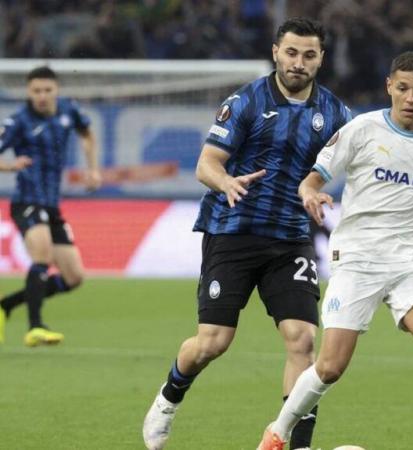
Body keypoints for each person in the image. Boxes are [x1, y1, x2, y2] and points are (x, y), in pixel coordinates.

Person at [257, 52, 413, 450]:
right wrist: (310, 193)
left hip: (411, 258)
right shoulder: (362, 130)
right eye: (404, 88)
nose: (411, 97)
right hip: (358, 257)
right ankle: (277, 433)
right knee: (330, 366)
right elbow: (312, 179)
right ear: (390, 86)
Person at [142, 17, 351, 450]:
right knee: (213, 343)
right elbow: (206, 164)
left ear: (321, 59)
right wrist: (227, 183)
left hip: (291, 237)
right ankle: (170, 395)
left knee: (303, 340)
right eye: (291, 53)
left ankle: (297, 444)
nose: (298, 63)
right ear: (276, 52)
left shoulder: (336, 113)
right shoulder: (246, 102)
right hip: (233, 231)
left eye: (308, 55)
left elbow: (352, 164)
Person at [0, 66, 101, 347]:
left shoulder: (69, 110)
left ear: (56, 90)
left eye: (47, 90)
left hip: (52, 205)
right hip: (26, 202)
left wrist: (93, 170)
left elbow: (87, 134)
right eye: (36, 91)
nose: (42, 96)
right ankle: (35, 327)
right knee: (42, 256)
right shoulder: (19, 121)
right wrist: (9, 165)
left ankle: (6, 305)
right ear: (28, 93)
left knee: (73, 277)